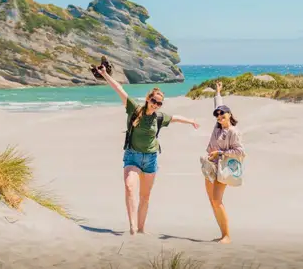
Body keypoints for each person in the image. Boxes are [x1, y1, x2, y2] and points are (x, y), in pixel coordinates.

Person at [96, 65, 200, 235]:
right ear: (148, 99)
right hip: (133, 156)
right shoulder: (134, 109)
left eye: (159, 103)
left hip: (151, 158)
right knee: (130, 187)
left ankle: (142, 228)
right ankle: (132, 227)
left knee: (145, 196)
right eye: (154, 101)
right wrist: (105, 74)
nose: (156, 105)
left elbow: (175, 118)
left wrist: (191, 121)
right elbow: (119, 89)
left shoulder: (159, 117)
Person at [200, 81, 245, 244]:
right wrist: (218, 91)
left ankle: (227, 236)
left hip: (223, 167)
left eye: (222, 114)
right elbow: (218, 104)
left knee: (217, 200)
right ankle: (222, 234)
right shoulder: (218, 126)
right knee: (213, 201)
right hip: (210, 165)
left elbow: (241, 152)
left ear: (230, 115)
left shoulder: (233, 131)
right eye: (217, 115)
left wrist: (221, 153)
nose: (219, 117)